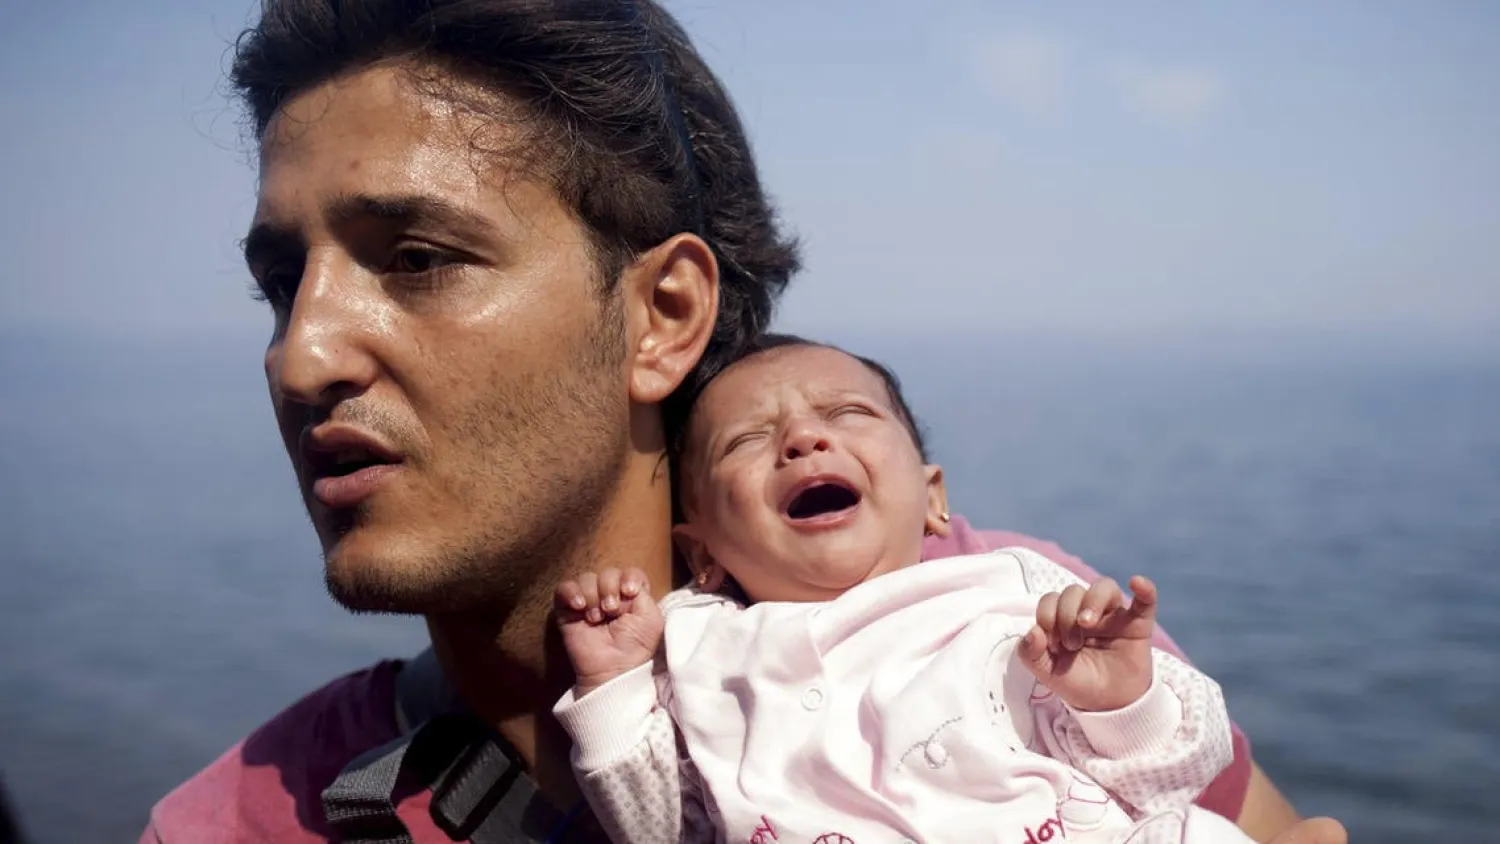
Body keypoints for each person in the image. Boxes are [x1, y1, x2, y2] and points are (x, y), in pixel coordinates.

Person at [140, 2, 1341, 842]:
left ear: (664, 312)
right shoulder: (238, 824)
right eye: (279, 281)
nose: (302, 355)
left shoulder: (1008, 623)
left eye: (417, 256)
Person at [550, 336, 1307, 843]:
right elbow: (656, 829)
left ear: (933, 498)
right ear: (702, 552)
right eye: (748, 440)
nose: (806, 439)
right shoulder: (700, 652)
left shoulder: (1011, 597)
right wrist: (612, 685)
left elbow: (1179, 773)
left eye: (848, 413)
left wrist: (1120, 702)